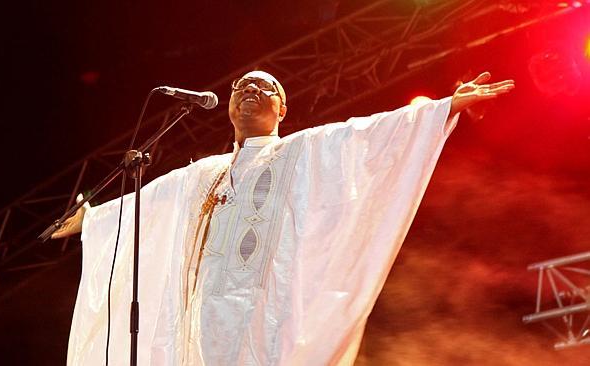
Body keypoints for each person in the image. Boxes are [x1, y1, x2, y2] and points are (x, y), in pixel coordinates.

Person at [53, 70, 514, 365]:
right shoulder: (200, 176)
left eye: (263, 88)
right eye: (241, 88)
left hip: (263, 321)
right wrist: (92, 221)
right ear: (229, 105)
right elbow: (145, 206)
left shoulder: (301, 151)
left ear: (283, 109)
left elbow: (365, 138)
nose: (250, 93)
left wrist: (444, 107)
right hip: (197, 327)